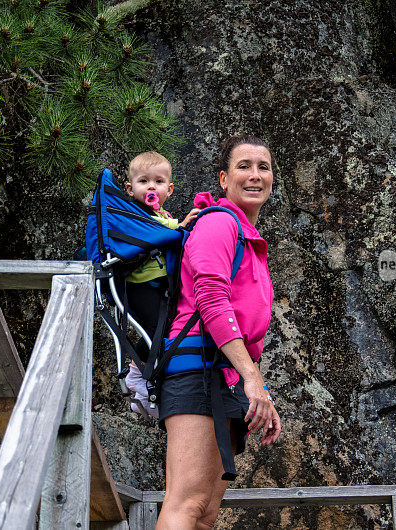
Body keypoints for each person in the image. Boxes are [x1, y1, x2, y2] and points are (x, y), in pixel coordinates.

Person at [156, 136, 281, 529]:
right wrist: (253, 380)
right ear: (224, 179)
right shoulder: (218, 223)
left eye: (264, 166)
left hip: (221, 375)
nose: (255, 175)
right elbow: (211, 301)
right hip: (197, 368)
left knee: (206, 513)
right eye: (244, 166)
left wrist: (254, 385)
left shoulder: (248, 236)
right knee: (188, 503)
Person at [123, 151, 199, 417]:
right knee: (155, 328)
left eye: (158, 181)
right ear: (130, 189)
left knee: (166, 330)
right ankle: (135, 372)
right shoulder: (132, 213)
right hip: (139, 286)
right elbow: (158, 230)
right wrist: (181, 226)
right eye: (143, 181)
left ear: (169, 188)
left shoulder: (164, 215)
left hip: (159, 287)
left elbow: (166, 227)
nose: (151, 186)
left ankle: (144, 391)